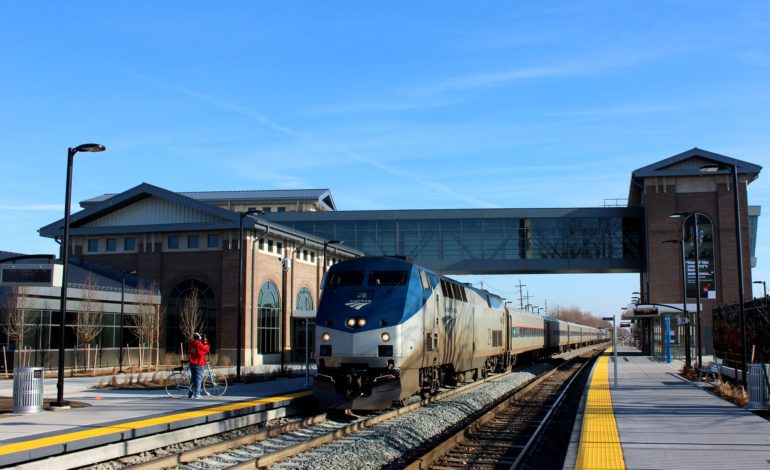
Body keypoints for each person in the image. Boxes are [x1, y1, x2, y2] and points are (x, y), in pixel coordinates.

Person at [188, 332, 210, 399]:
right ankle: (197, 394)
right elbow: (206, 349)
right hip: (199, 363)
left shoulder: (191, 343)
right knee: (198, 379)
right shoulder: (198, 343)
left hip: (192, 363)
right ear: (199, 338)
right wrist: (205, 342)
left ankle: (190, 394)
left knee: (193, 379)